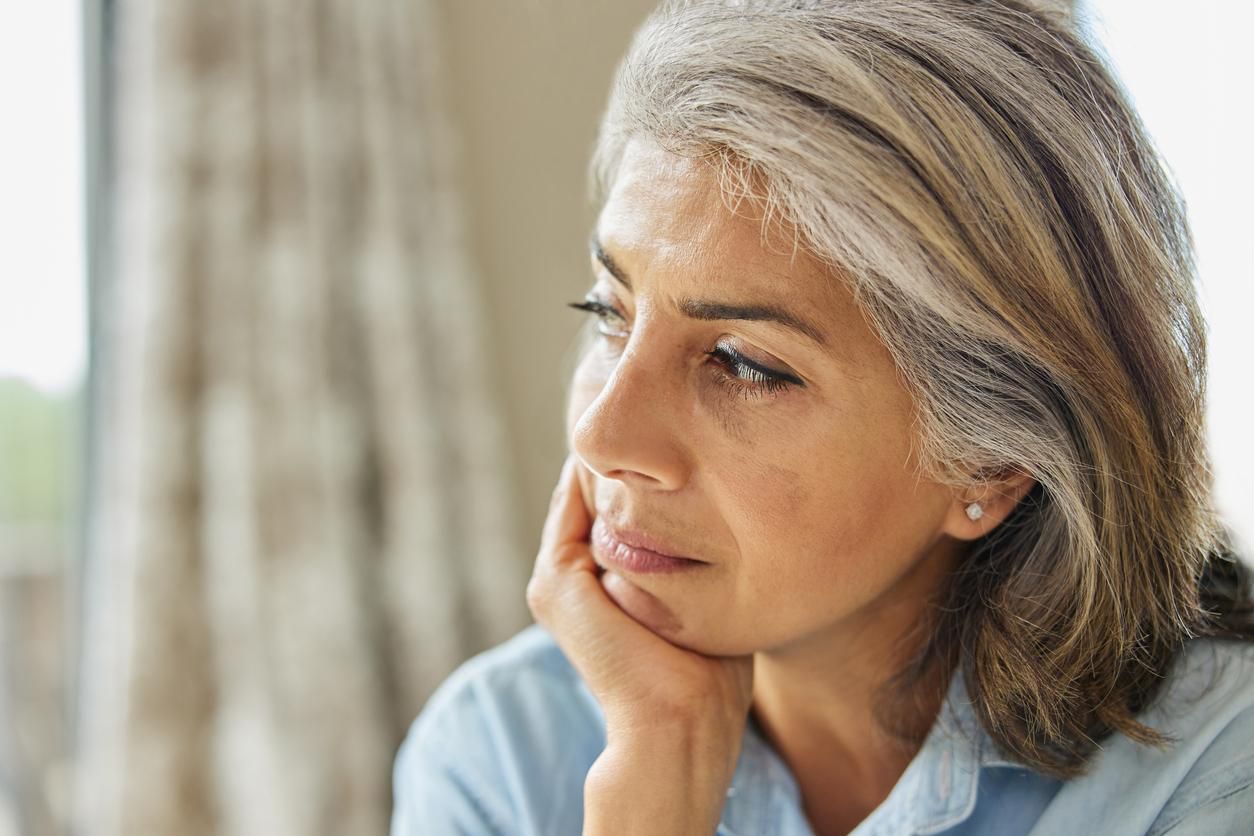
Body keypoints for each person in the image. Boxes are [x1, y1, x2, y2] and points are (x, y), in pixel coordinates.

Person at [391, 1, 1254, 833]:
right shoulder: (498, 756)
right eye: (609, 312)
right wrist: (653, 776)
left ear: (989, 462)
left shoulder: (1215, 771)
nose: (601, 436)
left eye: (745, 365)